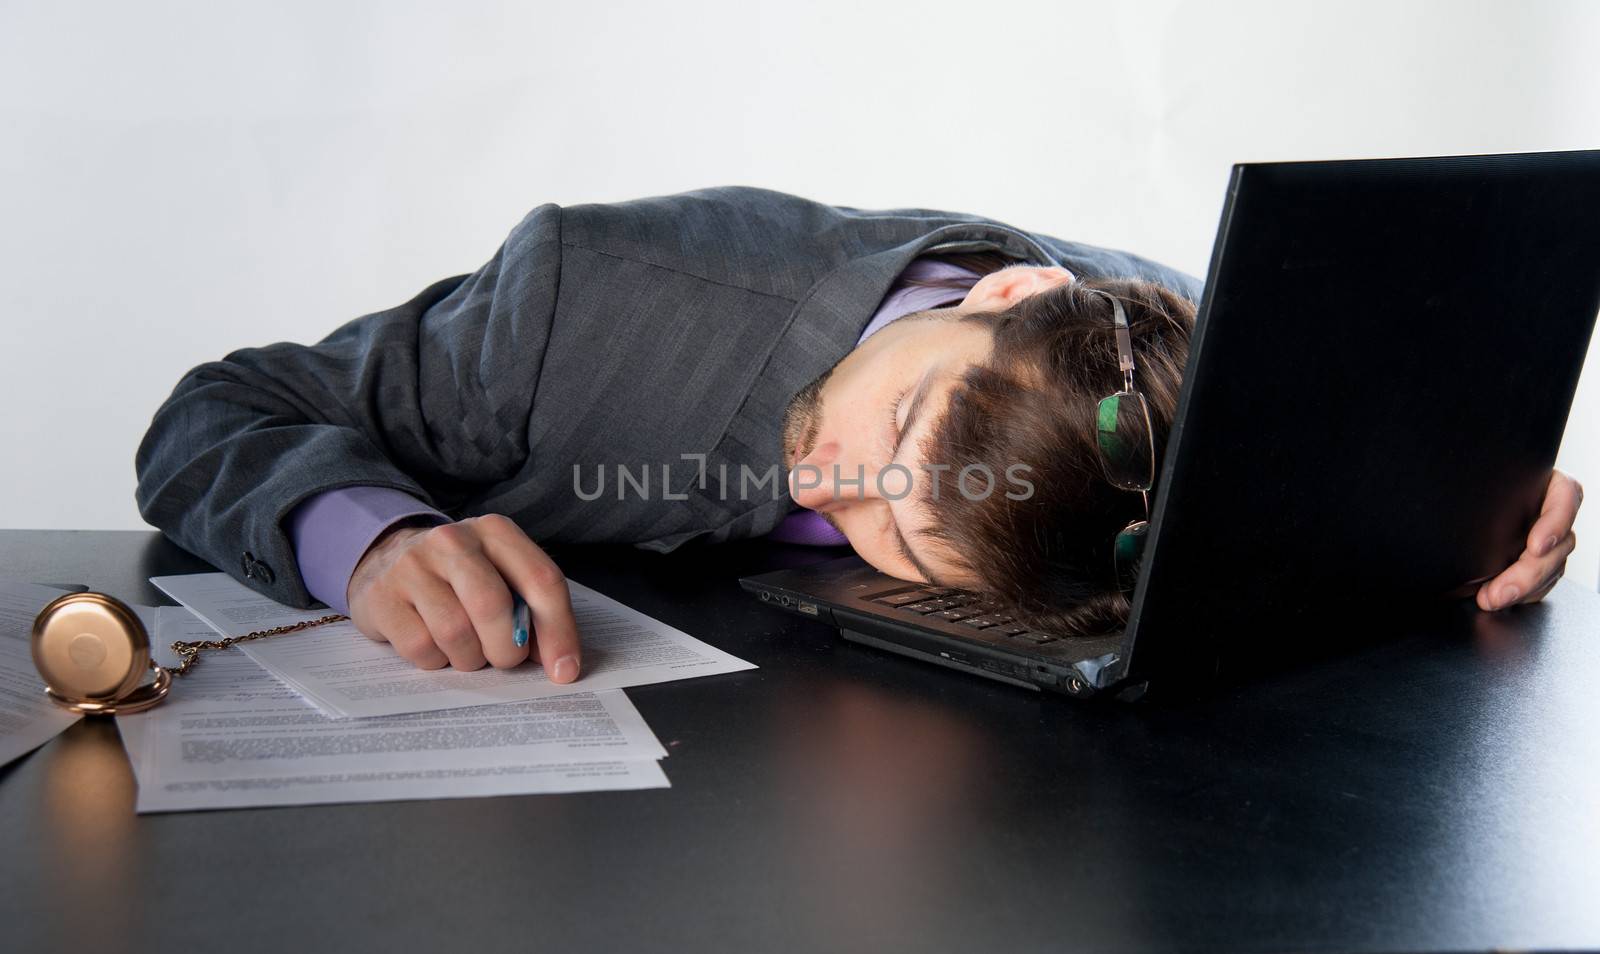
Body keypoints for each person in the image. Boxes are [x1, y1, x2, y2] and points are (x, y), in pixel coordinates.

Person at [134, 186, 1583, 682]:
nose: (831, 480)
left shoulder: (1176, 368)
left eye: (903, 529)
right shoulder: (574, 302)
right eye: (898, 414)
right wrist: (369, 536)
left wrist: (1459, 519)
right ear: (1013, 290)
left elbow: (1353, 455)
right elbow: (215, 411)